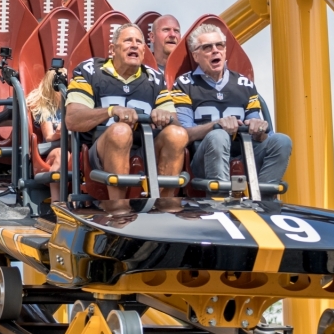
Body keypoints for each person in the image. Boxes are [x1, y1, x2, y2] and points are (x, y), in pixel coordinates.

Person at [64, 23, 188, 201]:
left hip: (145, 149)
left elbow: (176, 124)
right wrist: (111, 111)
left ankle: (164, 207)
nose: (135, 45)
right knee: (120, 131)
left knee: (176, 134)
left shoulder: (155, 79)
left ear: (144, 52)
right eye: (128, 41)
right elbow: (73, 118)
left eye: (139, 42)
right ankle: (118, 209)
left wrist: (165, 117)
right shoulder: (90, 71)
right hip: (99, 152)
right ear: (113, 49)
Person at [172, 23, 292, 196]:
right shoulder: (184, 84)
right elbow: (184, 135)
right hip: (202, 159)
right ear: (196, 56)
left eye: (219, 45)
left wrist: (258, 129)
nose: (215, 50)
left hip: (245, 154)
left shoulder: (244, 84)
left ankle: (265, 200)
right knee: (218, 135)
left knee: (282, 141)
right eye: (207, 47)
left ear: (225, 50)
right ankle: (220, 199)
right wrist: (216, 125)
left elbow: (262, 137)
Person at [27, 69, 64, 182]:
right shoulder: (46, 109)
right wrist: (58, 132)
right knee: (62, 154)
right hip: (52, 149)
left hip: (73, 148)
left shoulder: (71, 107)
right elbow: (48, 137)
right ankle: (57, 199)